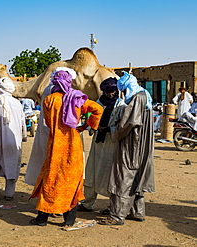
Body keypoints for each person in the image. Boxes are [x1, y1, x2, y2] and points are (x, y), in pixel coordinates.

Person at [29, 68, 103, 231]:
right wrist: (85, 125)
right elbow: (98, 109)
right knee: (72, 182)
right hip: (73, 146)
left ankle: (42, 217)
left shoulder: (49, 100)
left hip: (55, 145)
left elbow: (48, 123)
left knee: (50, 179)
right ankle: (69, 220)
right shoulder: (77, 99)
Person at [99, 72, 155, 226]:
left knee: (123, 176)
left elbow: (130, 123)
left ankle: (117, 215)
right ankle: (137, 212)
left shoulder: (137, 98)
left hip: (132, 144)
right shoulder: (144, 95)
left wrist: (115, 130)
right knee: (136, 176)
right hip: (141, 145)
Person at [78, 77, 127, 213]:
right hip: (98, 143)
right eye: (107, 91)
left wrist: (109, 130)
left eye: (112, 91)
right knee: (91, 171)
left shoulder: (121, 106)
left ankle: (112, 206)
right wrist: (88, 127)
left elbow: (123, 126)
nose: (110, 94)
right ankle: (87, 203)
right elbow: (91, 119)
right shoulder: (98, 103)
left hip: (112, 144)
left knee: (110, 175)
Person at [0, 77, 27, 201]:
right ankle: (9, 194)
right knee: (12, 166)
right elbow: (22, 121)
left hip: (0, 139)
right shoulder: (17, 102)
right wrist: (23, 137)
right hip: (15, 139)